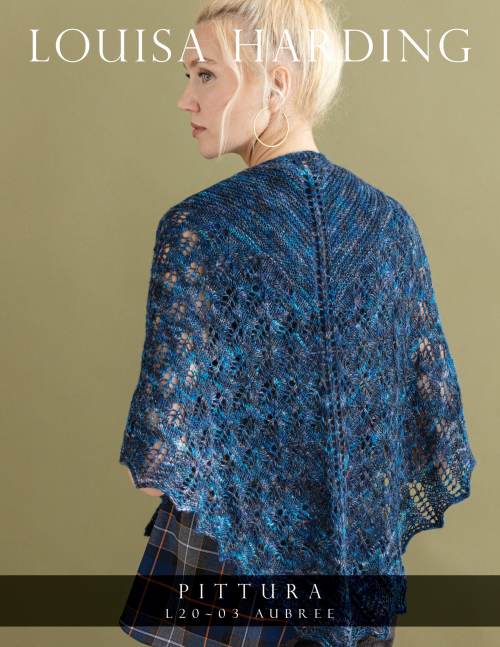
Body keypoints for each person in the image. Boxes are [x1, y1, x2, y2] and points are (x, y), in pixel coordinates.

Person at [118, 1, 476, 646]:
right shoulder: (390, 226)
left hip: (227, 558)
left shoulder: (198, 229)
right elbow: (427, 422)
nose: (185, 98)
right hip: (356, 569)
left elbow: (158, 460)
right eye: (188, 75)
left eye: (206, 75)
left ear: (276, 83)